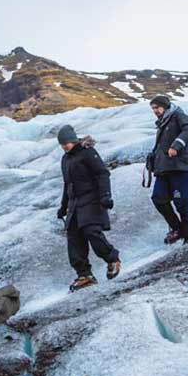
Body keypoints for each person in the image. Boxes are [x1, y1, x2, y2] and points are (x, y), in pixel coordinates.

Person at [57, 124, 122, 291]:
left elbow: (102, 173)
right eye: (62, 144)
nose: (64, 146)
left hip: (91, 199)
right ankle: (84, 275)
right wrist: (63, 207)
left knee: (91, 231)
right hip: (74, 204)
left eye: (66, 143)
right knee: (74, 238)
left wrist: (106, 195)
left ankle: (112, 259)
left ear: (73, 140)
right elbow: (67, 184)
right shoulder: (65, 159)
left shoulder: (87, 152)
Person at [148, 95, 188, 244]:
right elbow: (161, 146)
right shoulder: (162, 123)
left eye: (157, 107)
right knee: (158, 198)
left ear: (165, 106)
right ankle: (177, 229)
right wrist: (153, 160)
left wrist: (177, 145)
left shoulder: (178, 116)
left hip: (180, 167)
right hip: (164, 170)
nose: (155, 111)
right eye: (153, 108)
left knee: (182, 202)